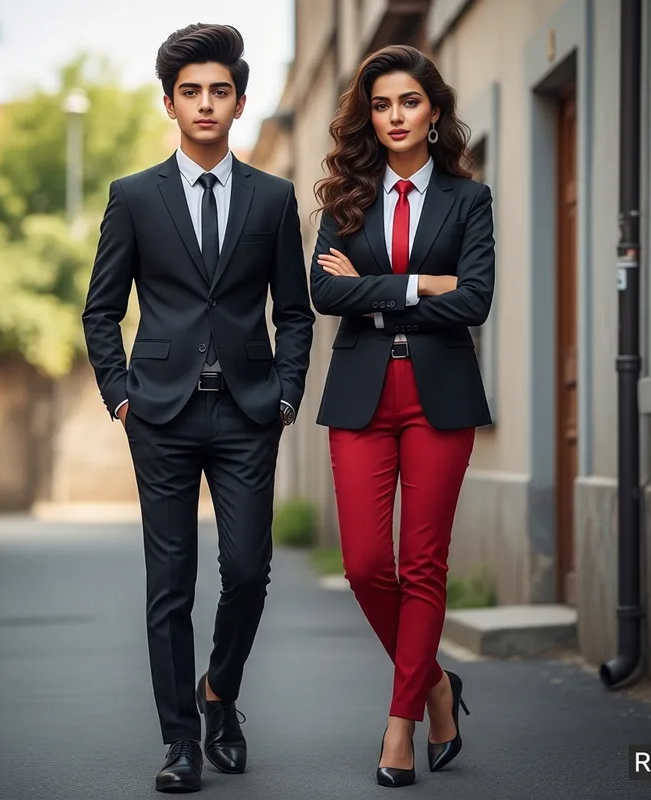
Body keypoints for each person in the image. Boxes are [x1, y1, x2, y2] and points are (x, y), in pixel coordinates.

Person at [82, 23, 315, 794]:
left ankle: (221, 694)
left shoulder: (273, 199)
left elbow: (297, 312)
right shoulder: (134, 197)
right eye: (191, 92)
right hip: (162, 415)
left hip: (249, 411)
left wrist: (286, 394)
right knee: (169, 582)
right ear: (170, 103)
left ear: (239, 102)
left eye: (219, 91)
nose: (206, 103)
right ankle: (180, 742)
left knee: (248, 570)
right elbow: (100, 310)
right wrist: (120, 395)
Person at [310, 44, 494, 788]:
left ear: (434, 112)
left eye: (409, 103)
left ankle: (401, 723)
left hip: (438, 395)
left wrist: (380, 285)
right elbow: (327, 296)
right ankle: (440, 684)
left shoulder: (468, 199)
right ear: (370, 115)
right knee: (362, 565)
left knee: (422, 565)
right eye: (382, 104)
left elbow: (474, 300)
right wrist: (423, 283)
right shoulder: (344, 199)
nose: (395, 116)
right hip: (361, 394)